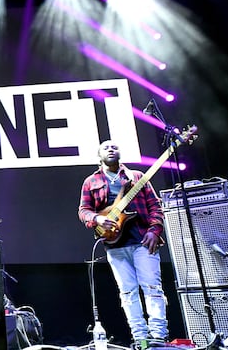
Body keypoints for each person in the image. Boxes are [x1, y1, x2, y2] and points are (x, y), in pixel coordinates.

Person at [78, 140, 168, 348]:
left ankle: (157, 336)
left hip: (143, 241)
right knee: (127, 293)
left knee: (153, 288)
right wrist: (98, 219)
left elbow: (155, 206)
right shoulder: (91, 181)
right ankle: (140, 337)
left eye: (114, 147)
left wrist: (155, 230)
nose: (111, 149)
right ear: (98, 155)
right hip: (115, 245)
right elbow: (83, 211)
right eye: (106, 147)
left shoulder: (137, 177)